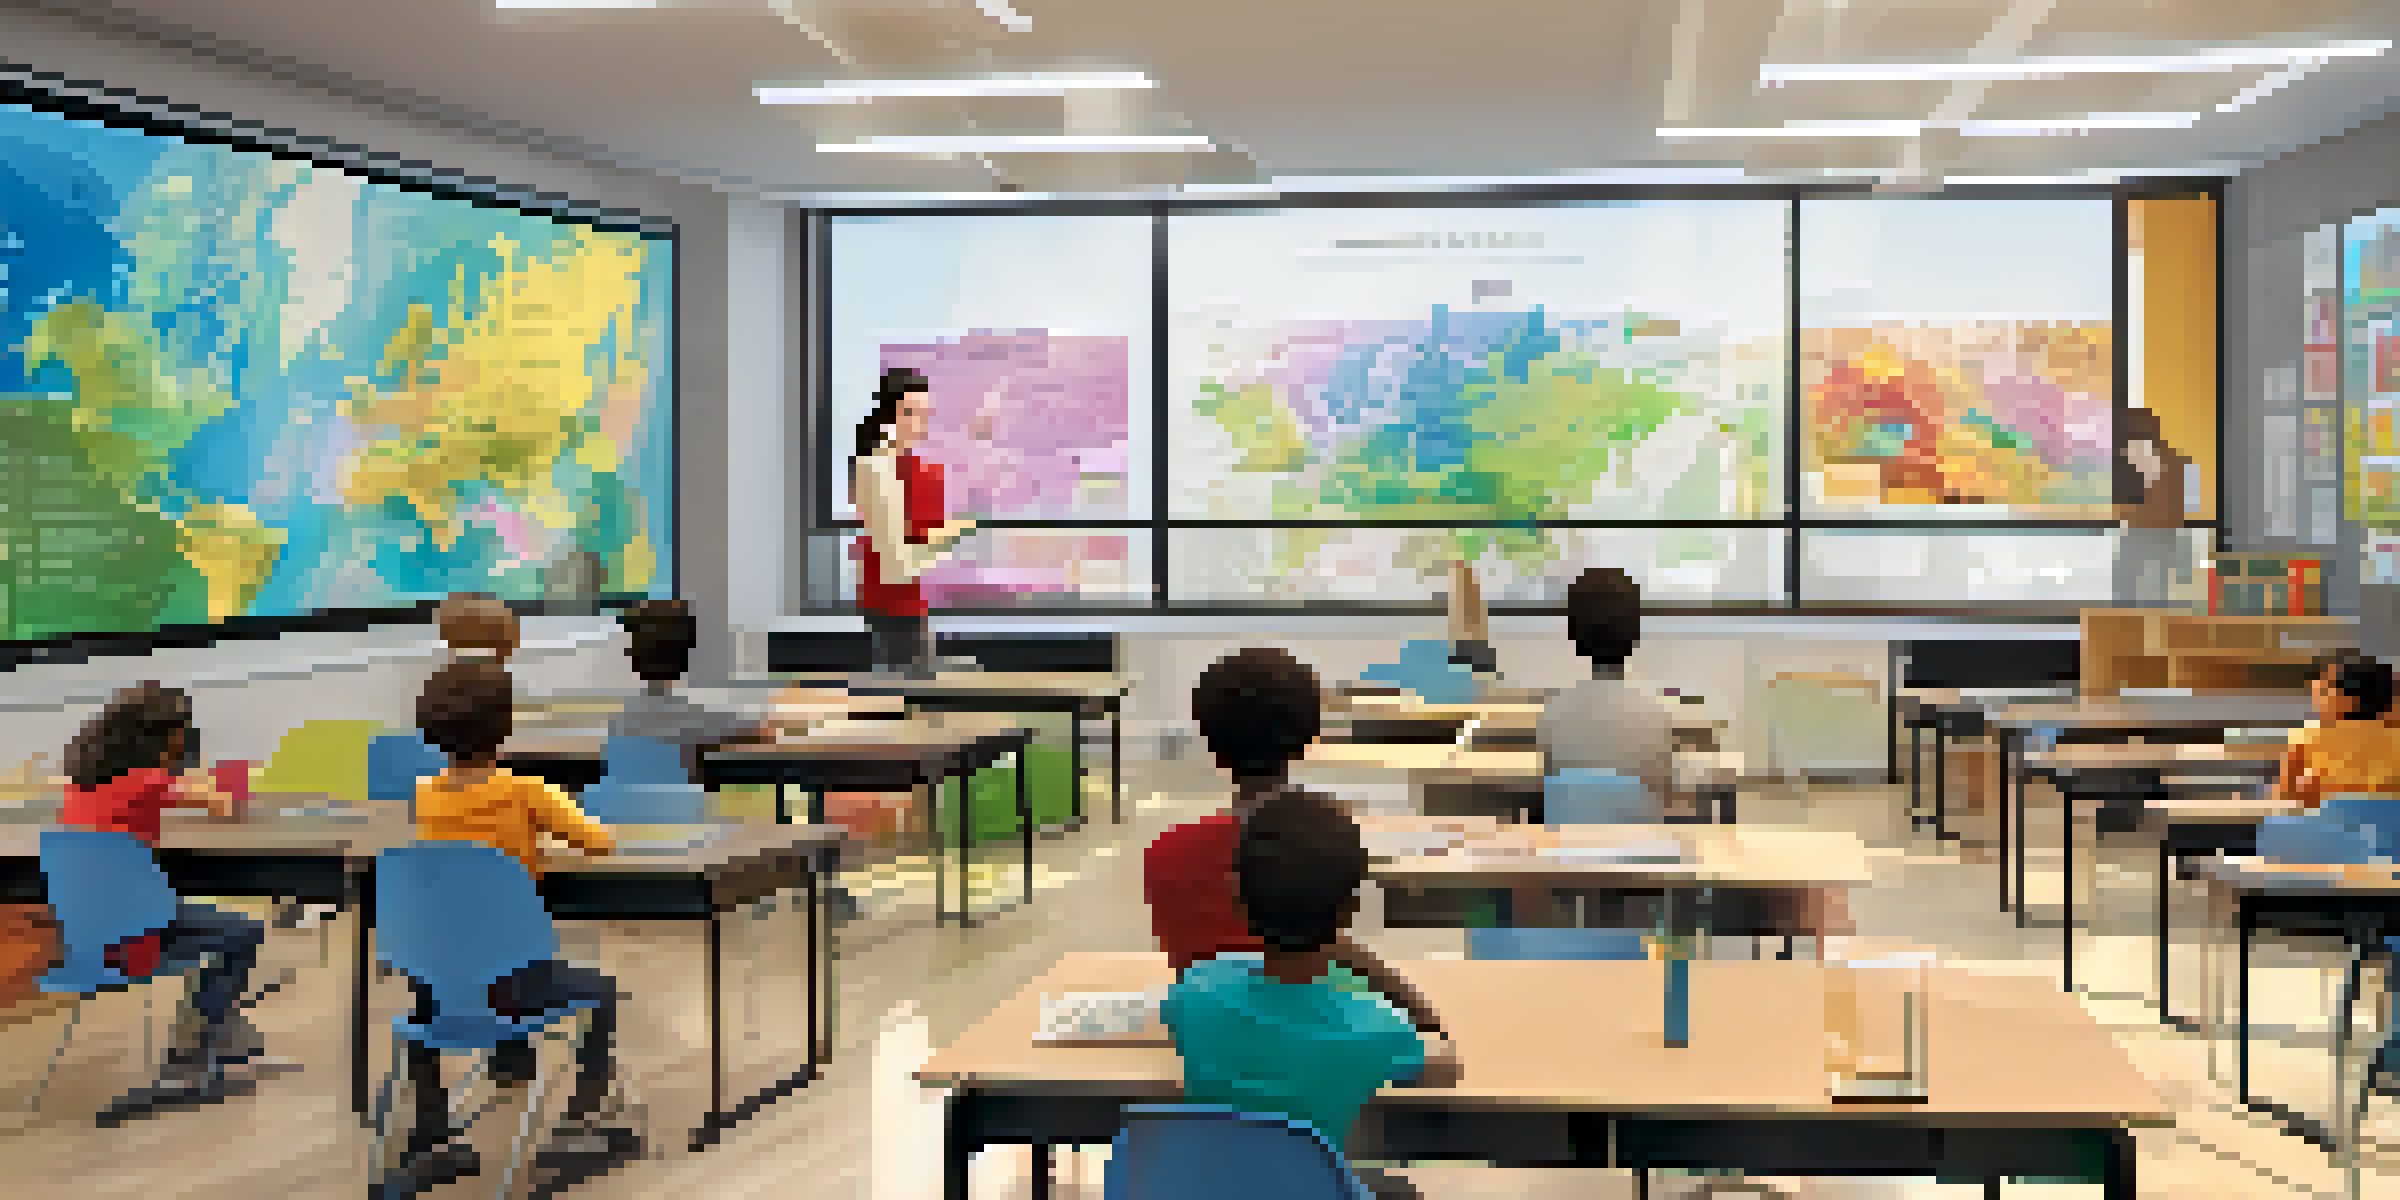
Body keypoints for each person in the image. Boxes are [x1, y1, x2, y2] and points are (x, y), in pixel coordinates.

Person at [385, 661, 635, 1198]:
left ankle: (430, 1131)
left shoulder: (425, 795)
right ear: (505, 725)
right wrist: (535, 848)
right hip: (514, 984)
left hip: (440, 988)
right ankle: (581, 1120)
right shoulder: (527, 793)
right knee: (599, 991)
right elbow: (599, 843)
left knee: (428, 995)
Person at [1162, 790, 1457, 1198]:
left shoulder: (1196, 989)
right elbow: (1446, 1059)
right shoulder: (1373, 1029)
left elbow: (1172, 1015)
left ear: (1235, 896)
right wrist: (1371, 967)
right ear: (1351, 908)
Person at [1144, 648, 1445, 1038]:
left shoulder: (1166, 851)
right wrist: (1415, 1005)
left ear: (1209, 740)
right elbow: (1323, 951)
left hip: (1210, 1034)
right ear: (1308, 738)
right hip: (1316, 1034)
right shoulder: (1320, 845)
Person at [57, 683, 273, 1119]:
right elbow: (224, 804)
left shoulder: (82, 784)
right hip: (127, 939)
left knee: (217, 928)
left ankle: (218, 1039)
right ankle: (193, 1057)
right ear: (162, 736)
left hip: (83, 932)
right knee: (243, 931)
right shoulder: (147, 781)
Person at [850, 366, 975, 678]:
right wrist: (951, 534)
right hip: (890, 608)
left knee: (922, 694)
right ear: (888, 414)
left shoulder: (907, 466)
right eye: (909, 413)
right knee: (909, 699)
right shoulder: (878, 467)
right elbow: (897, 564)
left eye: (924, 414)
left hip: (906, 605)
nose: (918, 424)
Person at [610, 598, 781, 772]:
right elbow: (761, 733)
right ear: (686, 653)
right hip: (676, 799)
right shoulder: (695, 721)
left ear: (633, 655)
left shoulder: (620, 722)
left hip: (616, 799)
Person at [2277, 653, 2400, 809]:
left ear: (2349, 700)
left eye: (2324, 690)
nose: (2316, 698)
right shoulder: (2394, 736)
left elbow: (2282, 796)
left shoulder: (2310, 736)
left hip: (2325, 824)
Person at [2114, 407, 2193, 608]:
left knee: (2139, 591)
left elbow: (2178, 504)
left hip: (2150, 533)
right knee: (2148, 591)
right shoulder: (2174, 459)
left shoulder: (2165, 459)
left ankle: (2136, 627)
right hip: (2157, 533)